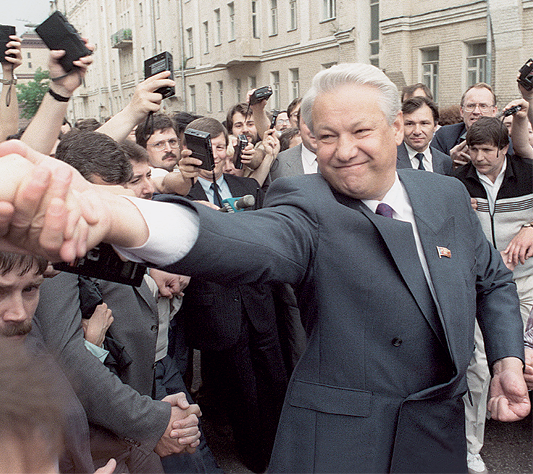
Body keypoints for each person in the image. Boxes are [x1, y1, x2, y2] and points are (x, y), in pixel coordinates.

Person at [0, 63, 530, 474]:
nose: (343, 152)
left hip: (438, 436)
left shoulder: (444, 194)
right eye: (324, 136)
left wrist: (506, 356)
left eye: (361, 131)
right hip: (344, 447)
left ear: (396, 127)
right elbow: (243, 241)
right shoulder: (307, 201)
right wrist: (113, 213)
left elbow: (491, 280)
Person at [432, 83, 498, 167]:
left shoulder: (502, 138)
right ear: (462, 111)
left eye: (483, 106)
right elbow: (432, 173)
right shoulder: (444, 136)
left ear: (494, 111)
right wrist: (449, 163)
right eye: (471, 106)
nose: (476, 111)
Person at [396, 96, 453, 175]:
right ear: (400, 125)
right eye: (410, 124)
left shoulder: (446, 162)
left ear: (435, 126)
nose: (417, 131)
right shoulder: (388, 159)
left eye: (424, 123)